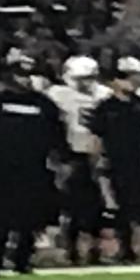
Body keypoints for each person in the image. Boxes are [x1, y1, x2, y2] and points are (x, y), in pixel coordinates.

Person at [0, 50, 65, 276]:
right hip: (1, 168)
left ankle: (22, 260)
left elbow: (56, 134)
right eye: (20, 74)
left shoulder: (44, 104)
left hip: (34, 168)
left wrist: (60, 159)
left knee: (30, 218)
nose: (25, 79)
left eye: (29, 74)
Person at [88, 57, 140, 263]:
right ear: (114, 80)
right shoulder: (105, 107)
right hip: (116, 162)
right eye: (125, 77)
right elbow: (97, 136)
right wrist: (98, 160)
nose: (130, 82)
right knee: (121, 209)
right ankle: (126, 250)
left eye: (133, 77)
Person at [49, 55, 109, 264]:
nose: (86, 83)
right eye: (82, 78)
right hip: (71, 154)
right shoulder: (59, 95)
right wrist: (59, 156)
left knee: (96, 205)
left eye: (90, 77)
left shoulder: (103, 94)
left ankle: (94, 247)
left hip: (97, 154)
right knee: (71, 205)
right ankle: (71, 248)